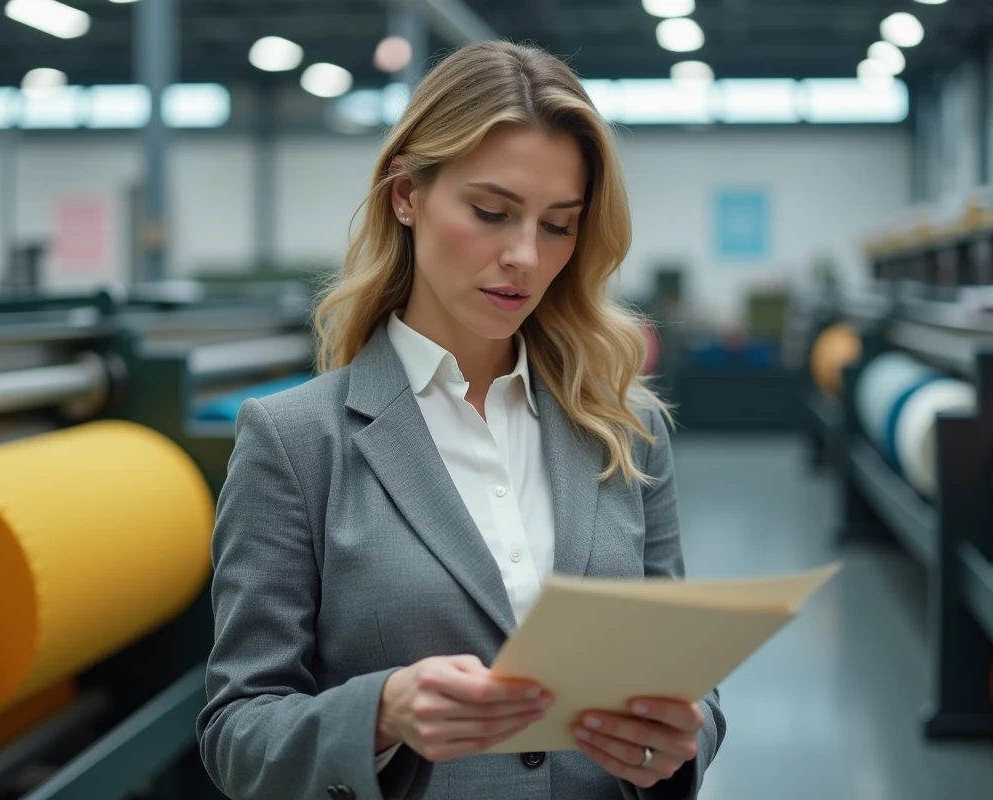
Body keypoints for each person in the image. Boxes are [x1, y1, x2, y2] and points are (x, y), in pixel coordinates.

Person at [195, 39, 725, 800]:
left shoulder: (625, 431)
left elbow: (685, 688)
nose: (525, 257)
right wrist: (379, 715)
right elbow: (239, 729)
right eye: (491, 212)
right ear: (406, 196)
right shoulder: (296, 442)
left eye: (558, 225)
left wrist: (681, 736)